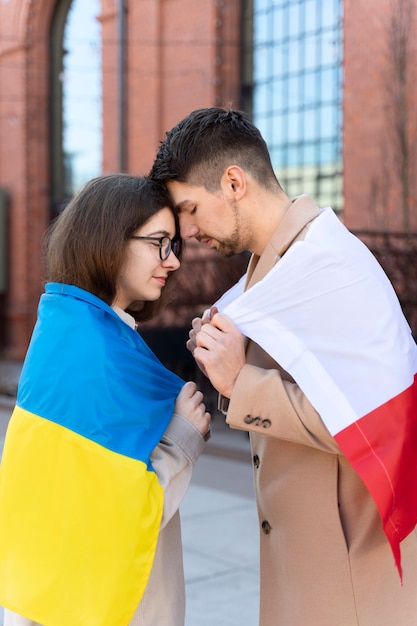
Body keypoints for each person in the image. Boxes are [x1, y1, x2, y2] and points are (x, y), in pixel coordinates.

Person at [150, 107, 417, 626]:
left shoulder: (328, 265)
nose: (186, 232)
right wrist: (228, 358)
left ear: (233, 182)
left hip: (347, 578)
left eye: (189, 209)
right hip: (304, 560)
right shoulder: (269, 265)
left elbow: (380, 422)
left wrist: (240, 381)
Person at [0, 173, 211, 626]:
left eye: (173, 245)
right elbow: (111, 518)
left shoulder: (69, 330)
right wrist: (181, 440)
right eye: (159, 242)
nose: (172, 261)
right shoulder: (94, 350)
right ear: (110, 241)